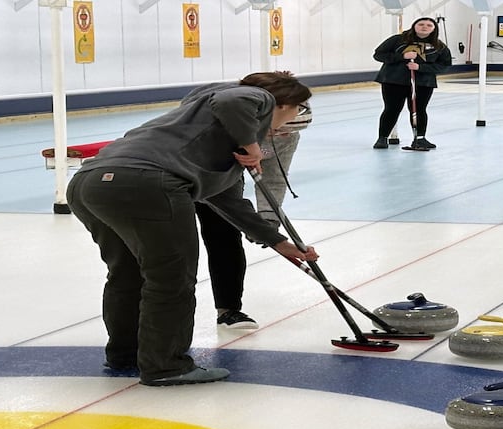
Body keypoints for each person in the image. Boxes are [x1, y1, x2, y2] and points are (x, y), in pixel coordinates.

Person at [66, 71, 318, 386]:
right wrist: (253, 145)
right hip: (147, 184)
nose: (287, 125)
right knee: (171, 278)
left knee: (127, 274)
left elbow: (230, 203)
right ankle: (167, 365)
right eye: (297, 110)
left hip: (90, 184)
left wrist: (279, 242)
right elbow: (232, 98)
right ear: (285, 103)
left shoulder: (210, 134)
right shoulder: (256, 98)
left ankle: (127, 354)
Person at [195, 98, 312, 329]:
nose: (281, 136)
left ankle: (228, 310)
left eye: (287, 132)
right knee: (179, 250)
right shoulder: (224, 131)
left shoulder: (287, 136)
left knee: (225, 235)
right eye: (276, 131)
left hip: (226, 180)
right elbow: (223, 197)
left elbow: (274, 179)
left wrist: (267, 220)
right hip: (190, 175)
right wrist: (261, 231)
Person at [372, 17, 451, 150]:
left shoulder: (439, 46)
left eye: (428, 25)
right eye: (420, 24)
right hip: (394, 81)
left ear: (434, 28)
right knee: (392, 109)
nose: (424, 27)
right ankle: (382, 138)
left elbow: (444, 65)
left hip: (423, 83)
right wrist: (402, 57)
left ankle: (420, 138)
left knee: (419, 110)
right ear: (414, 26)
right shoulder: (398, 40)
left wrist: (421, 68)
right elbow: (378, 54)